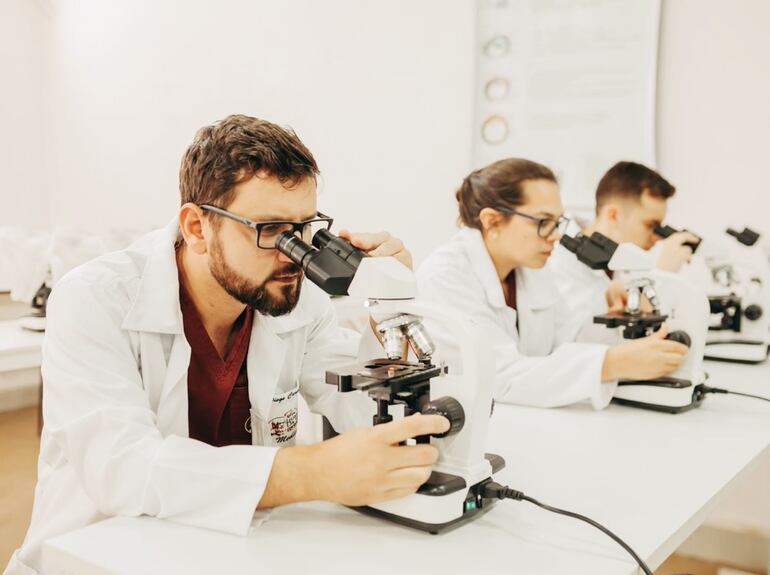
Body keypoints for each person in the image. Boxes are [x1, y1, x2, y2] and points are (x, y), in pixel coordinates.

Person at [7, 115, 448, 574]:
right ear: (197, 227)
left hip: (227, 550)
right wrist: (312, 472)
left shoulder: (293, 298)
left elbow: (362, 409)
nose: (293, 253)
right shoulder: (95, 298)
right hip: (98, 553)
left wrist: (390, 307)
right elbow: (124, 470)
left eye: (305, 228)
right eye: (270, 230)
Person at [416, 158, 688, 409]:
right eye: (543, 222)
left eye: (558, 222)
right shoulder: (446, 276)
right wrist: (610, 363)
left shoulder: (530, 269)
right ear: (492, 221)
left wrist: (611, 321)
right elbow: (500, 378)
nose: (556, 235)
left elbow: (565, 339)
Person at [550, 161, 700, 319]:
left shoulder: (625, 260)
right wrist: (662, 275)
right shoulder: (559, 261)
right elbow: (583, 338)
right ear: (613, 215)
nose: (657, 237)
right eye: (651, 225)